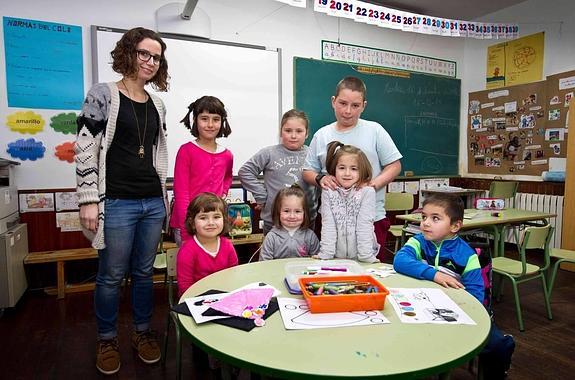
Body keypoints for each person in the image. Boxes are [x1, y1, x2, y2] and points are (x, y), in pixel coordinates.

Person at [75, 27, 169, 375]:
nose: (149, 61)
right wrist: (88, 199)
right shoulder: (102, 94)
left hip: (152, 203)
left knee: (145, 274)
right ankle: (107, 338)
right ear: (128, 53)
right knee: (111, 275)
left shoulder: (158, 103)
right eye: (144, 53)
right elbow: (85, 149)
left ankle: (142, 334)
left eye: (156, 57)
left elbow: (157, 153)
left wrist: (164, 201)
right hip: (116, 202)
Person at [393, 193, 515, 379]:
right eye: (424, 217)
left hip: (458, 312)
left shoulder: (467, 256)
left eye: (435, 218)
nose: (425, 223)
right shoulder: (418, 241)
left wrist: (453, 306)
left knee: (496, 345)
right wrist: (435, 275)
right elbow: (400, 260)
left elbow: (476, 297)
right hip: (426, 308)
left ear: (455, 226)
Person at [303, 76, 402, 260]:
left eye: (355, 106)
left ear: (363, 105)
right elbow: (308, 171)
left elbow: (395, 165)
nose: (348, 111)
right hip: (331, 219)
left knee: (368, 271)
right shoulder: (322, 135)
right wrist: (320, 179)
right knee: (331, 272)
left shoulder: (375, 131)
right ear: (333, 101)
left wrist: (372, 185)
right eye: (342, 103)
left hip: (371, 218)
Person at [239, 109, 317, 235]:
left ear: (307, 133)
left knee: (304, 253)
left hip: (305, 221)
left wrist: (313, 203)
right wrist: (262, 196)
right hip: (273, 221)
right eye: (288, 130)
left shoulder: (312, 154)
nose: (293, 135)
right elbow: (245, 172)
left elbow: (319, 181)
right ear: (281, 132)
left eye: (299, 131)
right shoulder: (269, 153)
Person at [169, 96, 233, 245]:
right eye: (204, 119)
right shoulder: (186, 151)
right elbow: (181, 193)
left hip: (213, 224)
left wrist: (222, 192)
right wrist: (186, 230)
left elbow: (227, 177)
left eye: (216, 119)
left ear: (222, 122)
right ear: (195, 121)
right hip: (188, 225)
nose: (210, 124)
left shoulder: (227, 155)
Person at [317, 141, 379, 263]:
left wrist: (366, 256)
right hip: (335, 257)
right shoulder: (328, 192)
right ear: (334, 169)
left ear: (362, 171)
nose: (347, 173)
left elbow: (364, 226)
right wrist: (326, 254)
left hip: (362, 257)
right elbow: (328, 224)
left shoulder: (367, 192)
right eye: (341, 168)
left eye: (354, 169)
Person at [176, 193, 238, 296]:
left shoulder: (227, 245)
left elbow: (233, 276)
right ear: (192, 223)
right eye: (203, 218)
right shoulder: (187, 251)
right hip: (196, 300)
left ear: (224, 220)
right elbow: (185, 287)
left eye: (216, 217)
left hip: (225, 297)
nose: (210, 222)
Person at [259, 184, 320, 261]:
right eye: (286, 211)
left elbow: (317, 261)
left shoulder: (310, 236)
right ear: (278, 212)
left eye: (297, 211)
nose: (292, 216)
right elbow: (264, 264)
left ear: (305, 213)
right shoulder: (271, 237)